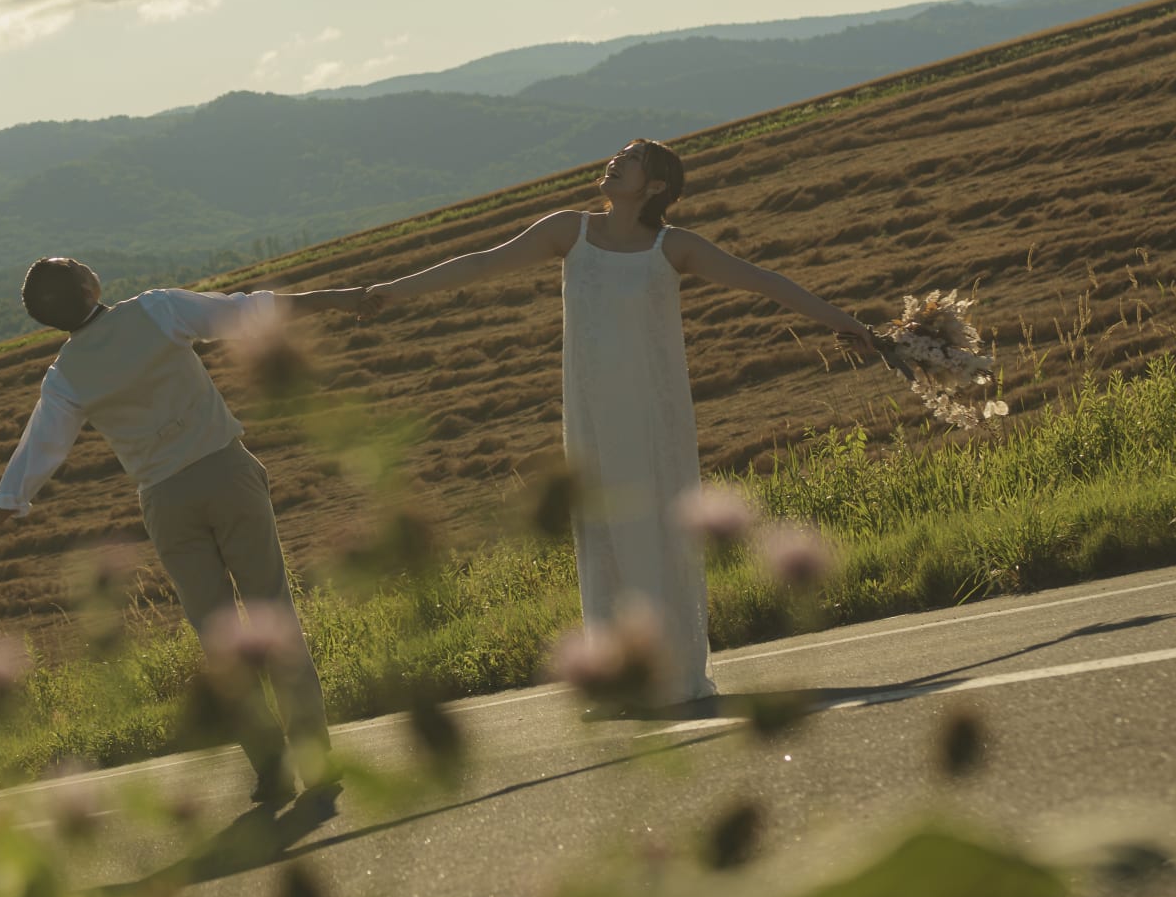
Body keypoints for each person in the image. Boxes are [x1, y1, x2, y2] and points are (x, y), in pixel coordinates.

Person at [364, 140, 875, 709]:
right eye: (619, 154)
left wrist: (846, 322)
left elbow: (763, 281)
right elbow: (483, 262)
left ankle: (670, 671)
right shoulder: (570, 231)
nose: (615, 161)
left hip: (654, 415)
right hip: (592, 416)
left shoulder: (671, 246)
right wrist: (394, 290)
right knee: (604, 535)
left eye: (631, 160)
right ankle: (619, 677)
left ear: (655, 187)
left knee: (655, 531)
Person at [0, 257, 368, 802]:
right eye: (78, 265)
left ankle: (269, 767)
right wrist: (335, 297)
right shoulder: (157, 309)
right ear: (89, 286)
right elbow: (249, 312)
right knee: (273, 612)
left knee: (220, 639)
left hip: (166, 502)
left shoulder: (65, 376)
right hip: (225, 471)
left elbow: (35, 456)